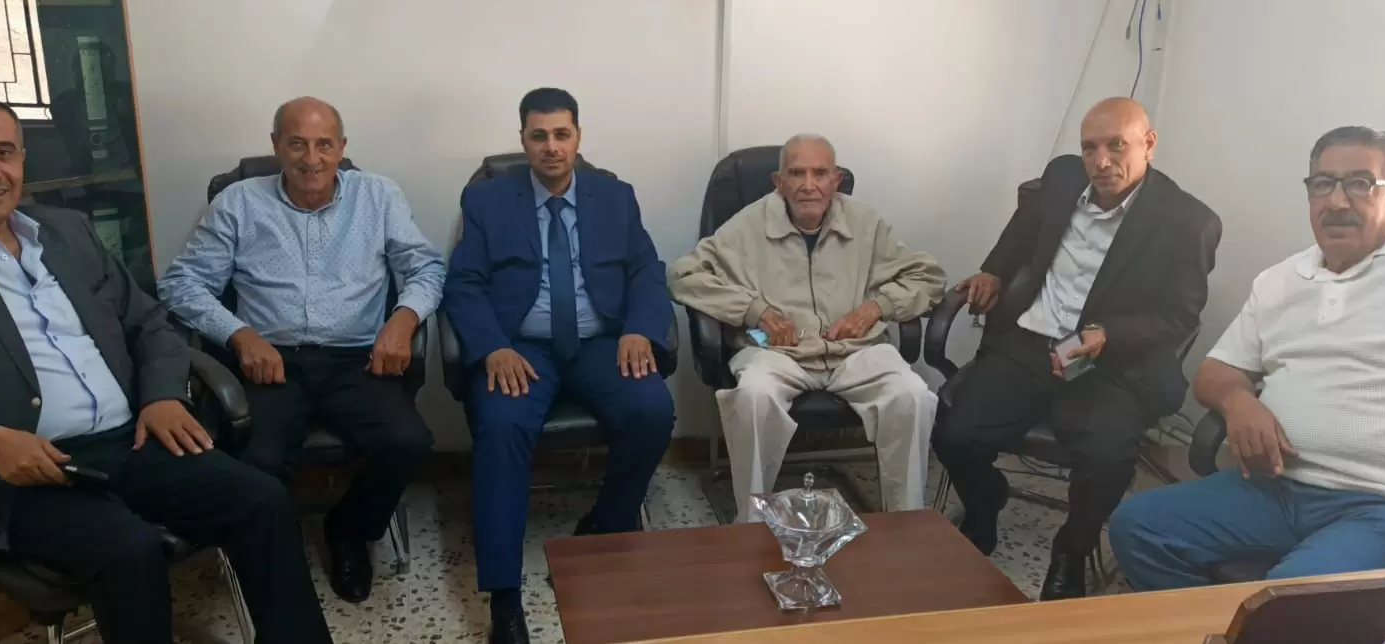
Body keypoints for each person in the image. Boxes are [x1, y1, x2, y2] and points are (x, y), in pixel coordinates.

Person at [0, 95, 331, 644]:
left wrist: (162, 395)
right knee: (129, 550)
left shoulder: (65, 230)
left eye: (4, 152)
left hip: (132, 440)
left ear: (22, 159)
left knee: (261, 498)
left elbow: (148, 322)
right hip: (22, 471)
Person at [1111, 127, 1385, 589]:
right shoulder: (1281, 280)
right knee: (1138, 525)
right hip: (1274, 488)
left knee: (1291, 596)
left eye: (1360, 183)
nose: (1336, 201)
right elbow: (1216, 372)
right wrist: (1238, 402)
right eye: (1322, 184)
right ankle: (1221, 624)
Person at [932, 97, 1221, 600]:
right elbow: (1023, 231)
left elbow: (1180, 316)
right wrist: (994, 270)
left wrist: (1110, 334)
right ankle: (985, 503)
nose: (1101, 162)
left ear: (1149, 144)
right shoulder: (1063, 178)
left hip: (1108, 364)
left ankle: (1071, 550)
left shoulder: (1187, 222)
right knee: (953, 431)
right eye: (1090, 148)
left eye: (1117, 146)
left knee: (1108, 457)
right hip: (1030, 343)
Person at [158, 96, 443, 604]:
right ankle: (275, 550)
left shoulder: (378, 196)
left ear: (342, 147)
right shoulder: (239, 202)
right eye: (297, 144)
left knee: (408, 442)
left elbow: (426, 268)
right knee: (256, 461)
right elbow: (181, 284)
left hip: (355, 358)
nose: (312, 159)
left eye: (324, 145)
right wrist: (240, 335)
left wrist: (403, 320)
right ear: (275, 146)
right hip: (271, 361)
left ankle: (349, 531)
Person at [444, 88, 674, 644]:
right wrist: (491, 347)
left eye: (562, 135)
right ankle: (504, 597)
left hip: (601, 344)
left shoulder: (615, 196)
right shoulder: (487, 201)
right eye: (539, 136)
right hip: (521, 349)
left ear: (578, 138)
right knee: (501, 427)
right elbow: (464, 283)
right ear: (523, 140)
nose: (551, 147)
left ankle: (607, 523)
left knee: (653, 410)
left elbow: (647, 271)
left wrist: (639, 329)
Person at [669, 134, 946, 522]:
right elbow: (684, 275)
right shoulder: (747, 225)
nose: (808, 184)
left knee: (912, 395)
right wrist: (754, 311)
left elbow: (929, 277)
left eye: (820, 173)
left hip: (855, 350)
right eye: (796, 173)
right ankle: (751, 521)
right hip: (777, 352)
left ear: (837, 180)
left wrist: (876, 308)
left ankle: (905, 523)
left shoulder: (866, 223)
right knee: (753, 397)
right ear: (778, 181)